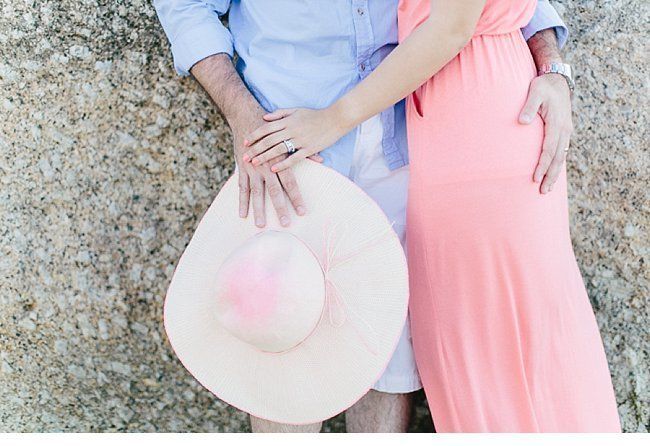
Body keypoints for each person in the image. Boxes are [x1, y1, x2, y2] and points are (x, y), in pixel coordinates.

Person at [154, 0, 572, 433]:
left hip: (409, 136)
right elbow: (185, 5)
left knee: (389, 357)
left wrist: (552, 66)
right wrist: (242, 116)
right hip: (290, 148)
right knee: (284, 342)